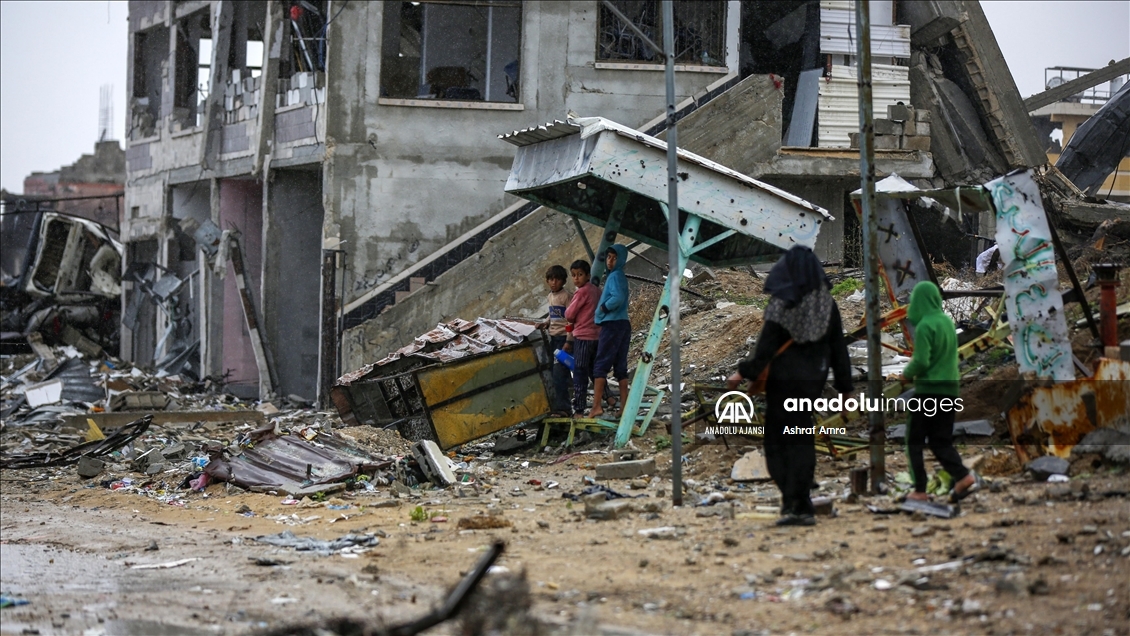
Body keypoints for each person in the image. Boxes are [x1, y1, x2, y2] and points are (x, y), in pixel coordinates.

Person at [726, 246, 853, 526]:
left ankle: (794, 502)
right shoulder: (827, 304)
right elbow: (838, 350)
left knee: (777, 442)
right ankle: (801, 502)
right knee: (801, 437)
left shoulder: (781, 303)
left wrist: (742, 374)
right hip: (812, 385)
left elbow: (766, 349)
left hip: (783, 385)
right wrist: (845, 390)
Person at [900, 280, 981, 504]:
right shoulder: (946, 322)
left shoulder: (926, 325)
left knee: (914, 441)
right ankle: (963, 477)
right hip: (950, 391)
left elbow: (922, 360)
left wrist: (905, 374)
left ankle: (919, 490)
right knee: (940, 441)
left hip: (929, 392)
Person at [590, 245, 631, 419]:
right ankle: (624, 406)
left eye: (614, 257)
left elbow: (617, 297)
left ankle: (596, 406)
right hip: (623, 323)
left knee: (600, 365)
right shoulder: (620, 276)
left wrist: (603, 307)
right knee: (620, 366)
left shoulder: (614, 276)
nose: (610, 261)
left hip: (612, 324)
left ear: (620, 259)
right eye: (608, 257)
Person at [564, 259, 601, 417]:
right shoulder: (597, 290)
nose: (576, 278)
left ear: (587, 275)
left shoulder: (581, 292)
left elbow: (569, 314)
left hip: (583, 336)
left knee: (580, 371)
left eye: (579, 275)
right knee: (596, 370)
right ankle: (609, 398)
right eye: (574, 275)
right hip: (598, 335)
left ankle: (579, 409)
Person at [541, 265, 573, 416]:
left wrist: (568, 340)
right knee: (554, 373)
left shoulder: (566, 296)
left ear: (563, 281)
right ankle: (559, 406)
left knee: (559, 374)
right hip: (553, 338)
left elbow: (571, 319)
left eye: (557, 279)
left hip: (563, 339)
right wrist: (547, 322)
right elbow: (552, 313)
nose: (554, 282)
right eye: (551, 279)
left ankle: (564, 408)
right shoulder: (550, 296)